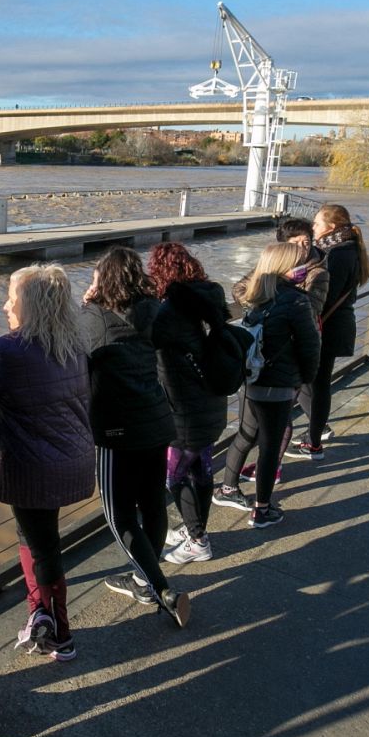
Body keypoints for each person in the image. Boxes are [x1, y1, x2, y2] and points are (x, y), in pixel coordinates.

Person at [0, 264, 93, 661]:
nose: (5, 304)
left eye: (12, 297)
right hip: (72, 461)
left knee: (42, 544)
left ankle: (59, 632)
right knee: (36, 537)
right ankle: (39, 614)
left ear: (31, 304)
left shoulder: (7, 350)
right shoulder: (73, 345)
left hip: (32, 469)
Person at [80, 246, 192, 627]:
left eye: (95, 276)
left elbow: (77, 354)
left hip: (117, 429)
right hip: (156, 420)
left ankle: (160, 590)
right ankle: (146, 577)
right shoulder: (152, 308)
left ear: (104, 279)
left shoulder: (93, 316)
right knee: (152, 504)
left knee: (118, 515)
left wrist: (87, 304)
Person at [215, 243, 322, 529]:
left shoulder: (255, 296)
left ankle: (227, 487)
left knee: (246, 433)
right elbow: (311, 348)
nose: (304, 268)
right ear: (285, 267)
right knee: (270, 446)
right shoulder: (296, 301)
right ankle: (262, 509)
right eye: (299, 263)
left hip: (251, 380)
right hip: (279, 384)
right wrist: (303, 380)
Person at [145, 241, 229, 565]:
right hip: (212, 401)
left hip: (185, 411)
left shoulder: (169, 312)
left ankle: (198, 539)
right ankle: (196, 529)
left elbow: (144, 342)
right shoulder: (205, 301)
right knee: (201, 470)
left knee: (173, 477)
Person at [284, 204, 367, 463]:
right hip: (335, 325)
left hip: (328, 327)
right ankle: (318, 429)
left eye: (317, 224)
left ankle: (314, 443)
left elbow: (326, 296)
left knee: (316, 384)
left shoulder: (338, 253)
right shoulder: (346, 247)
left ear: (331, 227)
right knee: (314, 383)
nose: (313, 228)